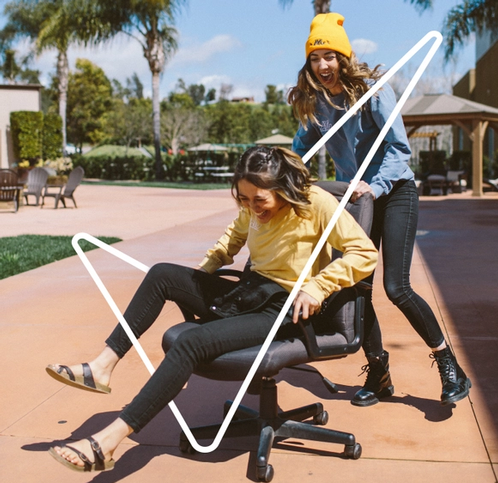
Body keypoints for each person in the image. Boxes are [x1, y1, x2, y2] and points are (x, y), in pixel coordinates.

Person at [45, 146, 378, 473]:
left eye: (259, 200)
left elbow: (364, 253)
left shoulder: (315, 203)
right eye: (244, 200)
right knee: (163, 274)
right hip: (250, 291)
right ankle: (103, 366)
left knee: (190, 342)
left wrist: (318, 286)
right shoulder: (253, 204)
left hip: (284, 307)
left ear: (282, 188)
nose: (252, 208)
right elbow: (232, 237)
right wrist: (199, 279)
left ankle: (108, 440)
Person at [288, 12, 471, 407]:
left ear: (344, 58)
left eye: (331, 57)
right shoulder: (316, 102)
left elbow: (398, 148)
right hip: (357, 199)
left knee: (396, 287)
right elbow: (302, 147)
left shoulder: (373, 90)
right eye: (316, 59)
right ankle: (379, 370)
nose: (324, 66)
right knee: (358, 289)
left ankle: (448, 364)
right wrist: (281, 171)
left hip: (394, 189)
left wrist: (376, 183)